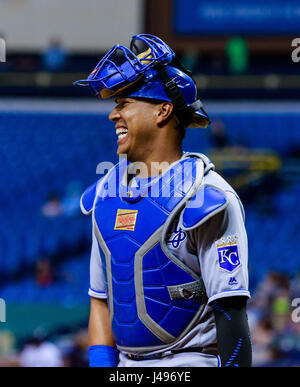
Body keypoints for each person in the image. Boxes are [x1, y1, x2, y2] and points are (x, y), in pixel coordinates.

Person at [75, 34, 252, 367]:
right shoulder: (105, 197)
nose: (113, 115)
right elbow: (100, 302)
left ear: (162, 110)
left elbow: (230, 311)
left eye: (124, 102)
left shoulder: (207, 197)